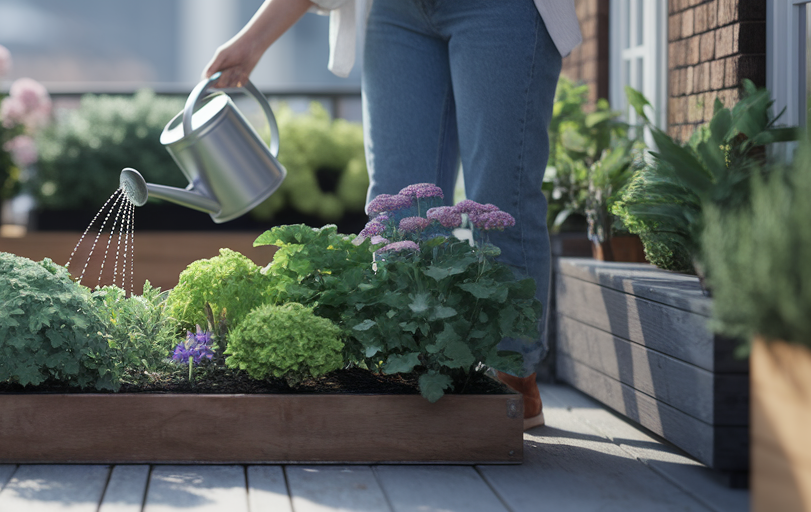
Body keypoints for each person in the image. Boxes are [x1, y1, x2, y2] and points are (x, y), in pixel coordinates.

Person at [204, 0, 580, 430]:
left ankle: (515, 369)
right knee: (397, 208)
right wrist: (252, 41)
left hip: (498, 10)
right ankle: (414, 365)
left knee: (500, 199)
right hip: (396, 14)